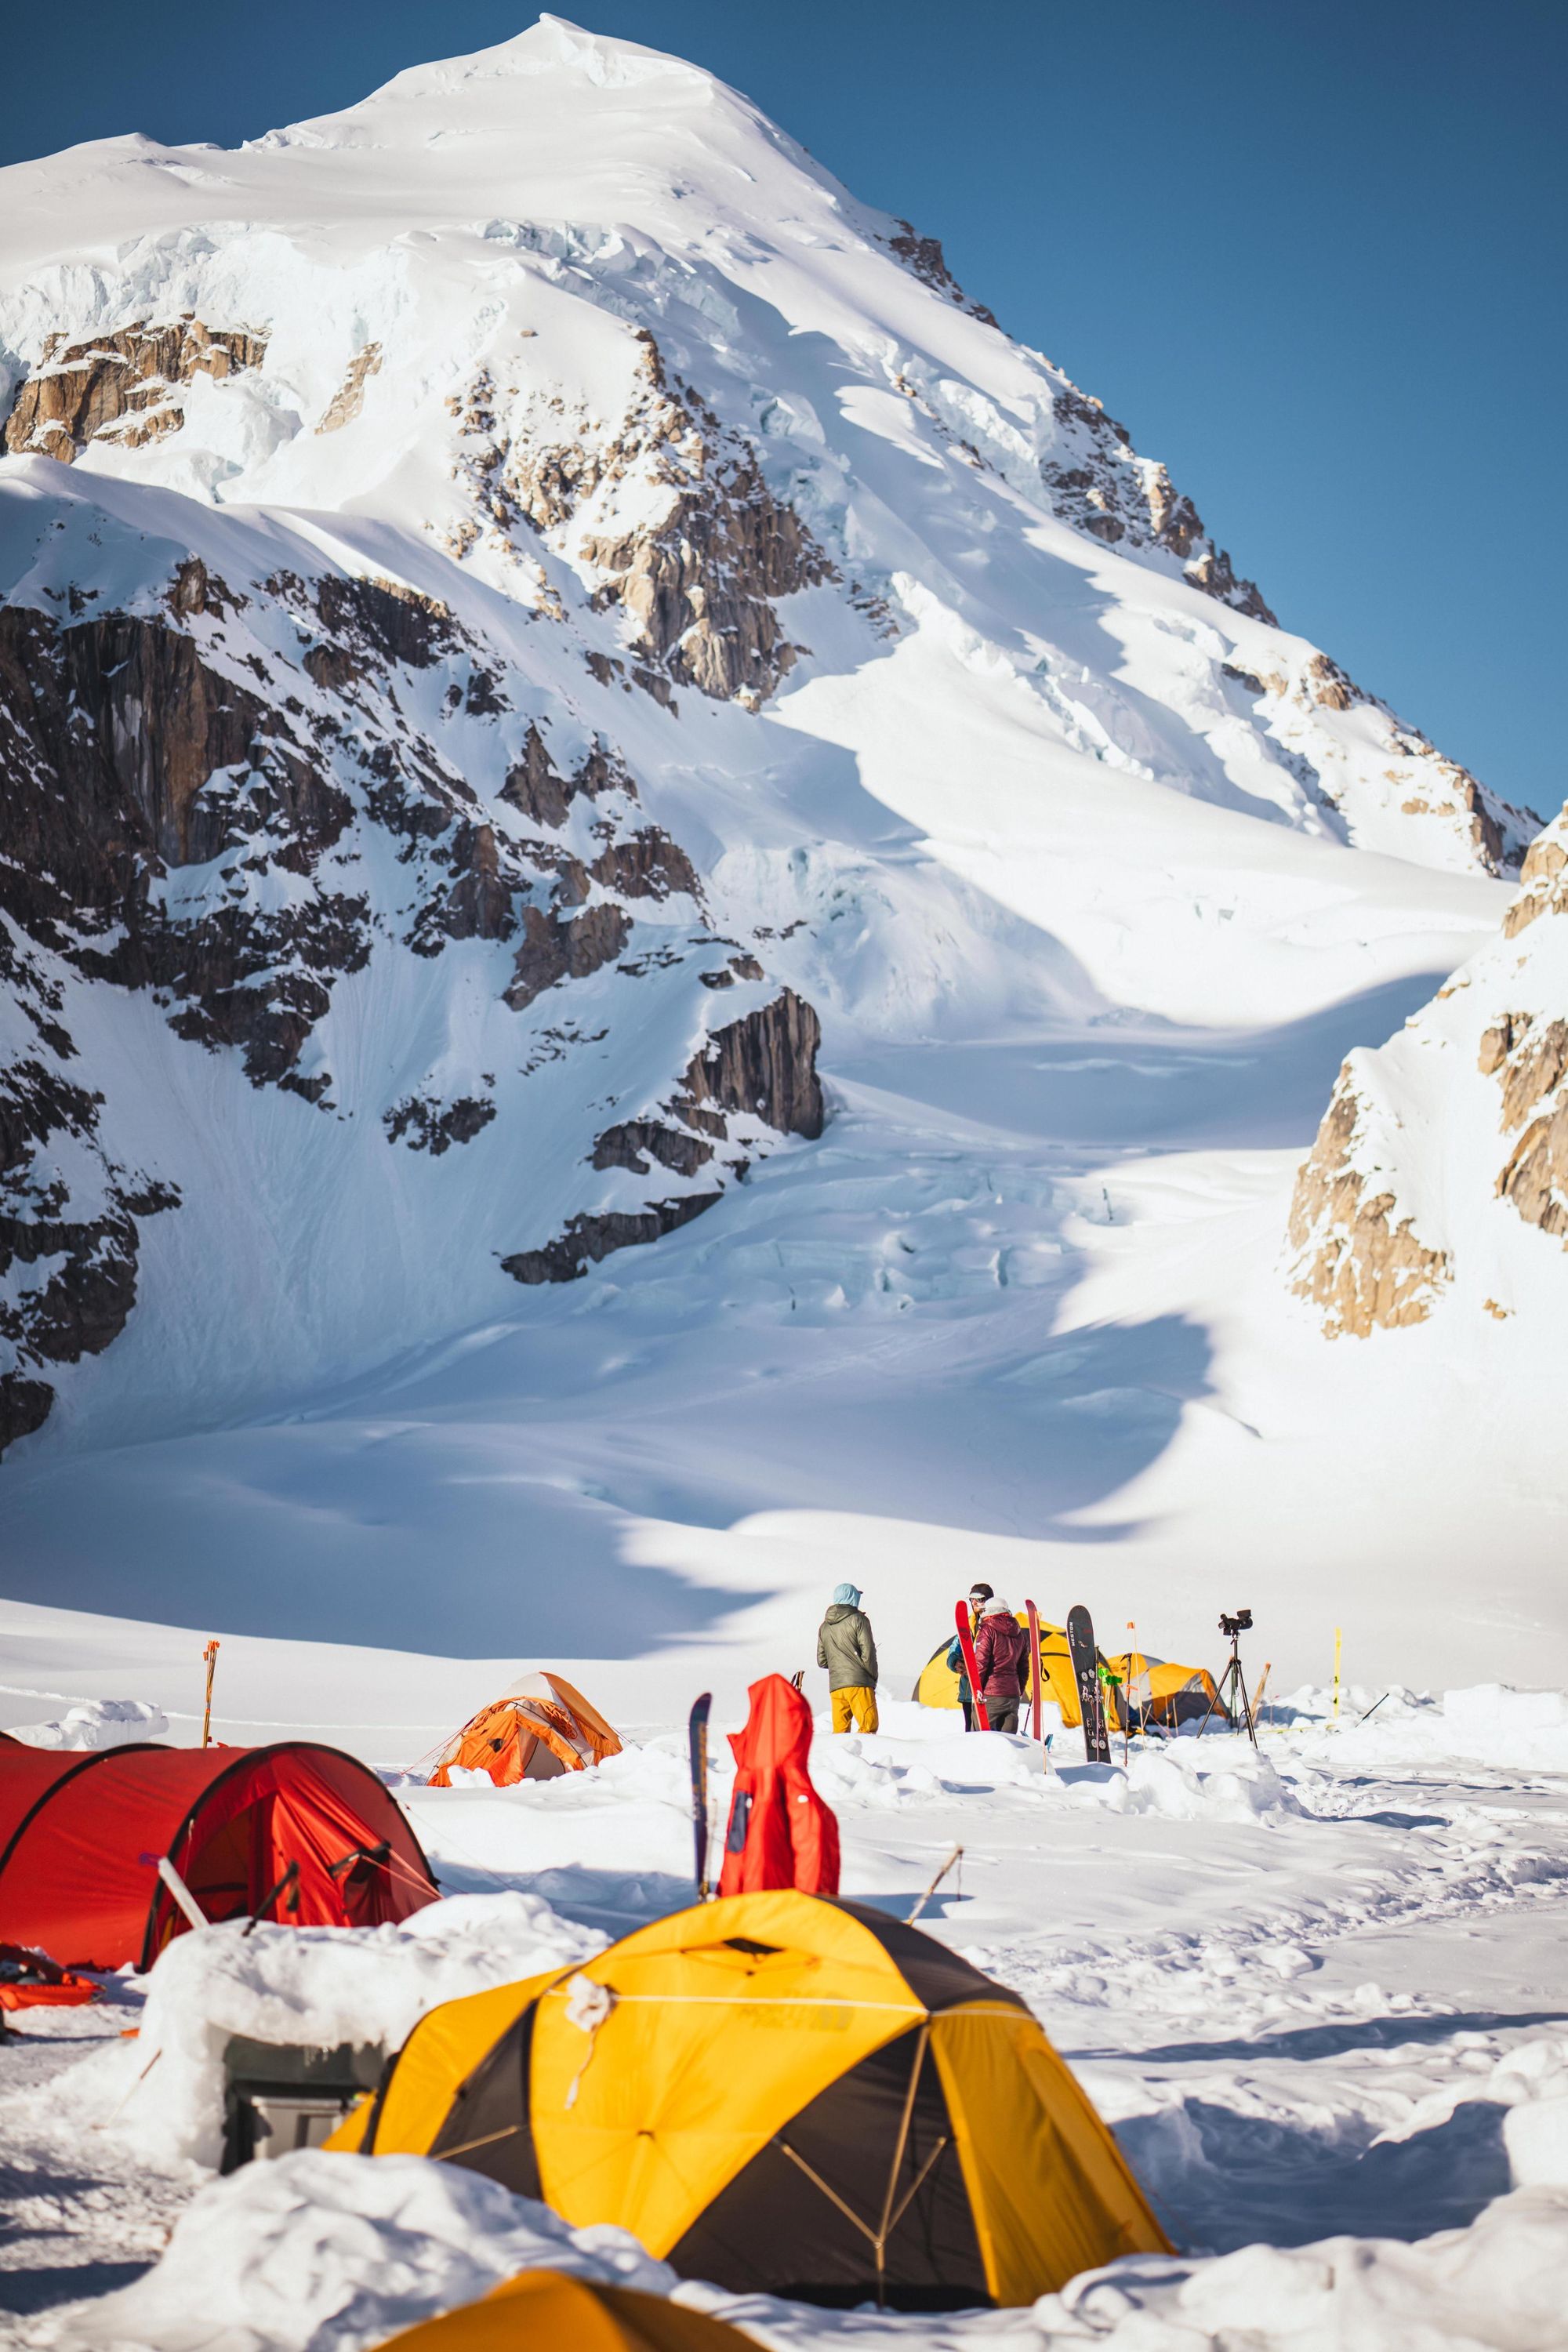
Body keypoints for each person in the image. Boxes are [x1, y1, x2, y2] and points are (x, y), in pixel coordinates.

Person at [817, 1583, 879, 1733]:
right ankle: (869, 1756)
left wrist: (839, 1665)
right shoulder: (859, 1620)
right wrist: (872, 1677)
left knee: (840, 1733)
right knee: (868, 1727)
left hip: (836, 1687)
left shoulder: (824, 1626)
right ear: (852, 1597)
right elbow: (868, 1652)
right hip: (859, 1683)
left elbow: (822, 1661)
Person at [971, 1596, 1028, 1735]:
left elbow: (981, 1662)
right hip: (1012, 1696)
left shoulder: (987, 1630)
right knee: (1008, 1742)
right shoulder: (1020, 1634)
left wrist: (976, 1689)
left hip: (991, 1695)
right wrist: (1019, 1690)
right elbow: (1024, 1668)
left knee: (981, 1738)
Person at [946, 1583, 994, 1730]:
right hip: (968, 1690)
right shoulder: (968, 1623)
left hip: (987, 1691)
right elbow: (955, 1648)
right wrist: (955, 1662)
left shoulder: (995, 1624)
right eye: (972, 1599)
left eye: (978, 1599)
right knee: (970, 1732)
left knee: (987, 1733)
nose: (974, 1603)